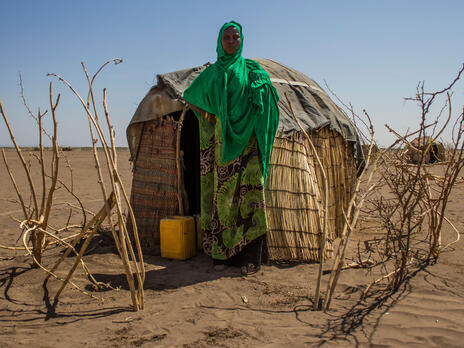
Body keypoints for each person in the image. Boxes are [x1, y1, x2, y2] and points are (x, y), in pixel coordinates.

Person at [183, 21, 280, 275]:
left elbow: (268, 95)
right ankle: (222, 255)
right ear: (220, 42)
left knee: (251, 197)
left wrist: (262, 85)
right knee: (224, 200)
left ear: (242, 40)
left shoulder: (251, 70)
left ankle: (251, 257)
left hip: (249, 142)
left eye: (235, 36)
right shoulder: (214, 72)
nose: (231, 40)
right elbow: (189, 95)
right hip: (224, 145)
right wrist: (209, 115)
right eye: (227, 37)